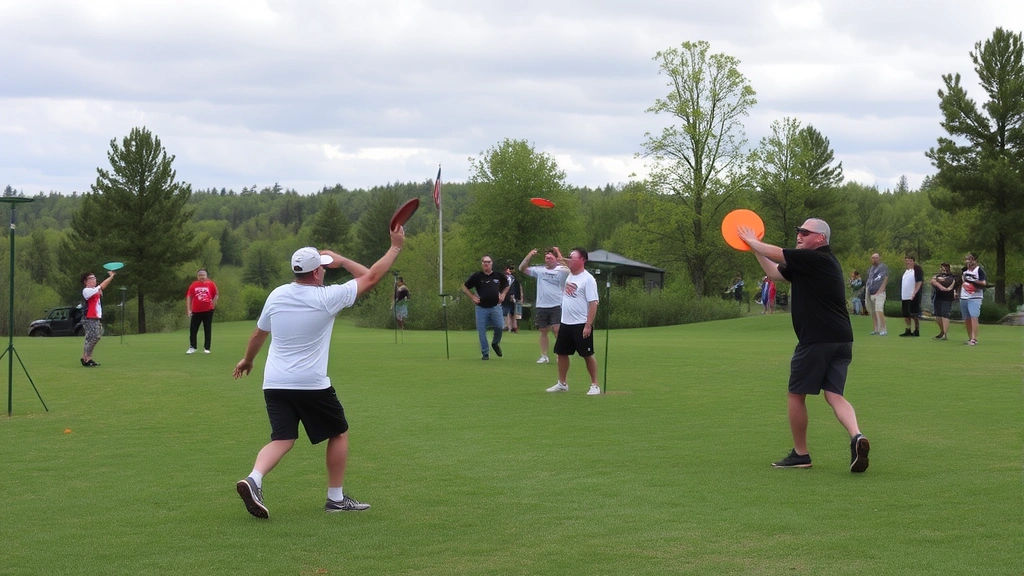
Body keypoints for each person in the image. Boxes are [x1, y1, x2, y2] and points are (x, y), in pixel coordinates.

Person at [232, 228, 405, 519]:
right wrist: (390, 249)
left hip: (274, 382)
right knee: (338, 432)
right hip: (310, 384)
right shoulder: (329, 297)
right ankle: (335, 499)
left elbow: (258, 334)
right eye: (323, 269)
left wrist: (247, 361)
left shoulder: (277, 295)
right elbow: (371, 277)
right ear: (317, 273)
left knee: (283, 439)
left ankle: (254, 479)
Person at [738, 218, 869, 473]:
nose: (799, 235)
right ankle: (857, 437)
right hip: (842, 339)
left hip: (817, 340)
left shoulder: (816, 258)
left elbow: (778, 253)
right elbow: (775, 272)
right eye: (798, 231)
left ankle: (801, 454)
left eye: (805, 232)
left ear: (820, 238)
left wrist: (752, 240)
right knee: (834, 395)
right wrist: (754, 248)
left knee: (795, 395)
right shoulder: (810, 262)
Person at [545, 248, 601, 396]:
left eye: (573, 257)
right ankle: (562, 383)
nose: (569, 260)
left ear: (582, 260)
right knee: (562, 353)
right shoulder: (570, 276)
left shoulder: (588, 279)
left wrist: (588, 324)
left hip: (581, 323)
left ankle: (594, 384)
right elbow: (563, 261)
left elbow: (593, 303)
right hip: (566, 323)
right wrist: (558, 254)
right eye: (569, 257)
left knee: (586, 354)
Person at [520, 247, 570, 363]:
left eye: (550, 258)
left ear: (555, 259)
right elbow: (522, 268)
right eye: (546, 258)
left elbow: (569, 268)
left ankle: (560, 353)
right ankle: (544, 356)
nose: (547, 260)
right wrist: (529, 255)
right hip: (542, 305)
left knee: (557, 329)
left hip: (557, 304)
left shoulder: (561, 270)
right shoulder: (540, 270)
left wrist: (558, 253)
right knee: (543, 330)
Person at [462, 255, 509, 360]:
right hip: (481, 308)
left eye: (488, 262)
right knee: (481, 331)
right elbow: (465, 287)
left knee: (500, 326)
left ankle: (495, 343)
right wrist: (472, 297)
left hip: (495, 307)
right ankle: (485, 353)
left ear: (492, 263)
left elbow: (507, 285)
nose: (486, 264)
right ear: (482, 264)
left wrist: (503, 294)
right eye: (484, 262)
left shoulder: (498, 276)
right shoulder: (477, 276)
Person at [80, 270, 115, 367]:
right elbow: (102, 286)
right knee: (95, 336)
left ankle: (85, 358)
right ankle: (88, 358)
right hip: (89, 318)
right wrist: (111, 277)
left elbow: (100, 289)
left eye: (95, 278)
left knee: (90, 338)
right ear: (86, 281)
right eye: (92, 278)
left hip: (94, 317)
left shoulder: (95, 290)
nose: (94, 280)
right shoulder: (87, 290)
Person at [186, 268, 218, 354]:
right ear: (197, 276)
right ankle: (193, 347)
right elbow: (189, 296)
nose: (201, 277)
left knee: (207, 329)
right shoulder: (193, 285)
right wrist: (188, 309)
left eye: (203, 275)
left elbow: (216, 295)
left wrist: (213, 306)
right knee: (193, 329)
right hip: (196, 310)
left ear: (206, 276)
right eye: (200, 275)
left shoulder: (211, 284)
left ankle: (207, 348)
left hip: (208, 310)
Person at [959, 252, 987, 346]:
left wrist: (974, 284)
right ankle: (970, 337)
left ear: (976, 261)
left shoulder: (979, 271)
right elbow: (962, 282)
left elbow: (983, 283)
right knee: (967, 318)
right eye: (968, 259)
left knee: (974, 317)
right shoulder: (964, 271)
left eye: (972, 259)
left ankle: (974, 339)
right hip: (964, 297)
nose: (970, 262)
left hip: (975, 297)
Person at [898, 255, 924, 337]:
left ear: (913, 261)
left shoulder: (917, 269)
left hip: (912, 295)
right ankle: (908, 329)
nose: (908, 262)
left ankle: (917, 329)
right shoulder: (906, 271)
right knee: (906, 314)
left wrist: (914, 292)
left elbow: (919, 281)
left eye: (909, 260)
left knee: (914, 314)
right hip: (905, 295)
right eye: (906, 260)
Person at [930, 262, 956, 340]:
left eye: (943, 267)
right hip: (938, 297)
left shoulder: (952, 277)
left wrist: (951, 290)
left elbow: (953, 284)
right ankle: (941, 332)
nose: (941, 269)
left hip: (947, 298)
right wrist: (943, 287)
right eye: (941, 267)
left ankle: (945, 334)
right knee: (938, 315)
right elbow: (933, 281)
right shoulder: (937, 276)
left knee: (945, 314)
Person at [866, 253, 889, 336]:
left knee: (879, 310)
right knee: (873, 312)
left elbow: (885, 279)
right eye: (873, 258)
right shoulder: (871, 269)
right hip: (871, 292)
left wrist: (879, 292)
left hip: (879, 293)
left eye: (876, 258)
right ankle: (876, 329)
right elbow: (869, 280)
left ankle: (883, 329)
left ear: (879, 258)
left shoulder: (883, 267)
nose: (874, 259)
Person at [502, 264, 523, 333]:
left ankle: (514, 327)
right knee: (505, 312)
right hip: (506, 297)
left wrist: (519, 297)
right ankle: (506, 326)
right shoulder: (504, 278)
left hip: (513, 297)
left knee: (514, 313)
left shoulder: (514, 279)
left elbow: (517, 288)